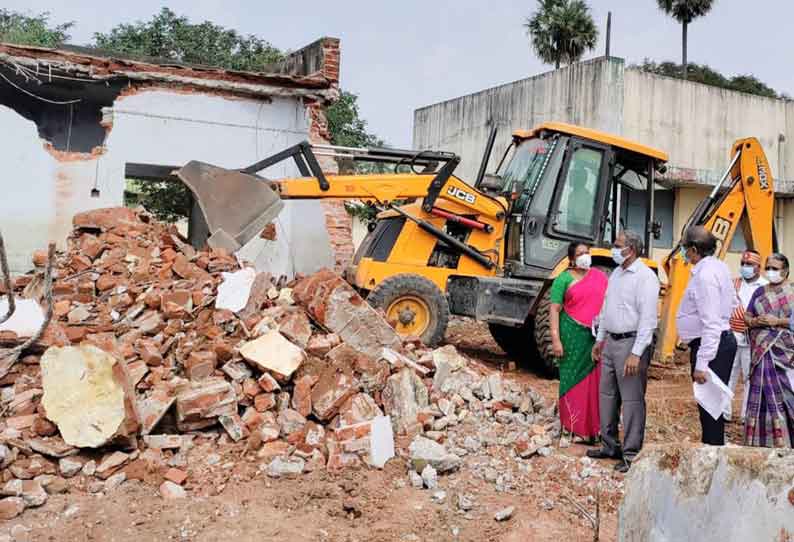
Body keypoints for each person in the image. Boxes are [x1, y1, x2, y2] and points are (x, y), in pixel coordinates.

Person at [588, 231, 659, 473]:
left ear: (632, 249)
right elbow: (607, 308)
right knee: (606, 396)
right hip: (611, 342)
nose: (613, 249)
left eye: (618, 246)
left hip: (631, 344)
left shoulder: (646, 278)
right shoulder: (617, 274)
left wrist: (636, 353)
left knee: (631, 401)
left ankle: (631, 454)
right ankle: (609, 445)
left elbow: (648, 320)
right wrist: (600, 339)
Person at [676, 226, 738, 446]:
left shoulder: (705, 276)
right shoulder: (718, 267)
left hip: (712, 344)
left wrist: (702, 363)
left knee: (709, 407)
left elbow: (711, 323)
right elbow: (732, 303)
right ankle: (712, 448)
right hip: (716, 342)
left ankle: (712, 453)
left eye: (684, 248)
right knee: (711, 406)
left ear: (694, 249)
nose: (683, 253)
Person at [549, 242, 609, 442]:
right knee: (571, 378)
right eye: (581, 253)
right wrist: (556, 339)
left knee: (596, 381)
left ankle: (594, 429)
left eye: (587, 253)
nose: (586, 256)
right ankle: (572, 426)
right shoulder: (563, 279)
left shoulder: (600, 277)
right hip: (571, 336)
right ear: (572, 259)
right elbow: (554, 310)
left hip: (596, 337)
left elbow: (608, 303)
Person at [744, 253, 794, 448]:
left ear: (785, 271)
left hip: (784, 353)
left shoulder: (792, 292)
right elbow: (747, 316)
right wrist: (756, 321)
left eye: (775, 268)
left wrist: (777, 321)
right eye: (768, 267)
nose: (770, 271)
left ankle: (787, 439)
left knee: (786, 394)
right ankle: (760, 441)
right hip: (761, 351)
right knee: (761, 395)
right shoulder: (759, 292)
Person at [725, 250, 767, 422]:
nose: (745, 267)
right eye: (743, 263)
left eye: (749, 265)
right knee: (728, 374)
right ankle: (724, 412)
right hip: (731, 335)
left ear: (758, 267)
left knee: (750, 377)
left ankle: (746, 415)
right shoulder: (733, 283)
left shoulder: (765, 286)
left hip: (752, 338)